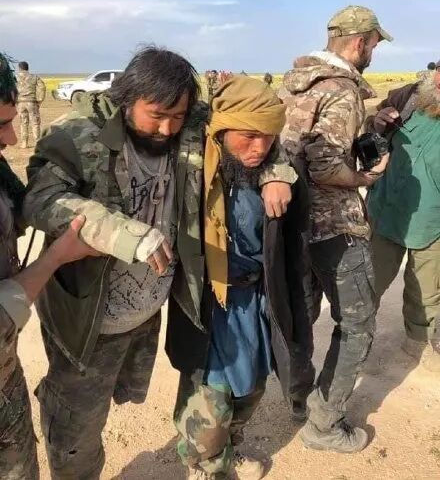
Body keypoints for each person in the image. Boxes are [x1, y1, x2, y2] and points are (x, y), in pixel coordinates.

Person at [23, 46, 295, 479]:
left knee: (123, 395)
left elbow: (250, 127)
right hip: (90, 320)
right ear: (127, 98)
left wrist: (276, 172)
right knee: (78, 425)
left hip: (146, 312)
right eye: (156, 116)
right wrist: (124, 234)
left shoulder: (188, 125)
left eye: (177, 116)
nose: (167, 128)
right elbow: (41, 200)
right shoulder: (76, 134)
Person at [168, 76, 314, 480]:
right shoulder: (190, 164)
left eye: (268, 138)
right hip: (209, 304)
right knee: (209, 404)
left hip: (257, 300)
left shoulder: (271, 168)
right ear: (221, 130)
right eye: (248, 137)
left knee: (251, 388)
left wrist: (279, 173)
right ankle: (206, 465)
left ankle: (229, 448)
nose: (259, 148)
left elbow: (295, 242)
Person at [278, 5, 392, 453]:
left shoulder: (297, 81)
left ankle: (299, 398)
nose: (374, 53)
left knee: (302, 313)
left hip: (291, 220)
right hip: (333, 225)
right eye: (375, 45)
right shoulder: (342, 90)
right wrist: (366, 177)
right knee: (357, 323)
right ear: (360, 42)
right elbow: (326, 165)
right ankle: (324, 425)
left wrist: (370, 125)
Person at [0, 53, 98, 480]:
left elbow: (23, 209)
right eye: (0, 126)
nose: (10, 138)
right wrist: (57, 256)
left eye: (9, 122)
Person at [366, 69, 440, 372]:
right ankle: (356, 343)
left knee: (426, 290)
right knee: (370, 281)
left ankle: (417, 342)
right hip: (386, 211)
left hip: (432, 222)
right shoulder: (408, 96)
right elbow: (370, 132)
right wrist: (377, 121)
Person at [16, 61, 46, 149]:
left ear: (19, 68)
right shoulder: (34, 77)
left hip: (20, 103)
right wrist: (40, 100)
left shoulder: (15, 77)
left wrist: (14, 100)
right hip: (32, 102)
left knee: (23, 123)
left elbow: (11, 89)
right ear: (27, 68)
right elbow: (42, 87)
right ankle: (37, 143)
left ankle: (24, 143)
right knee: (35, 123)